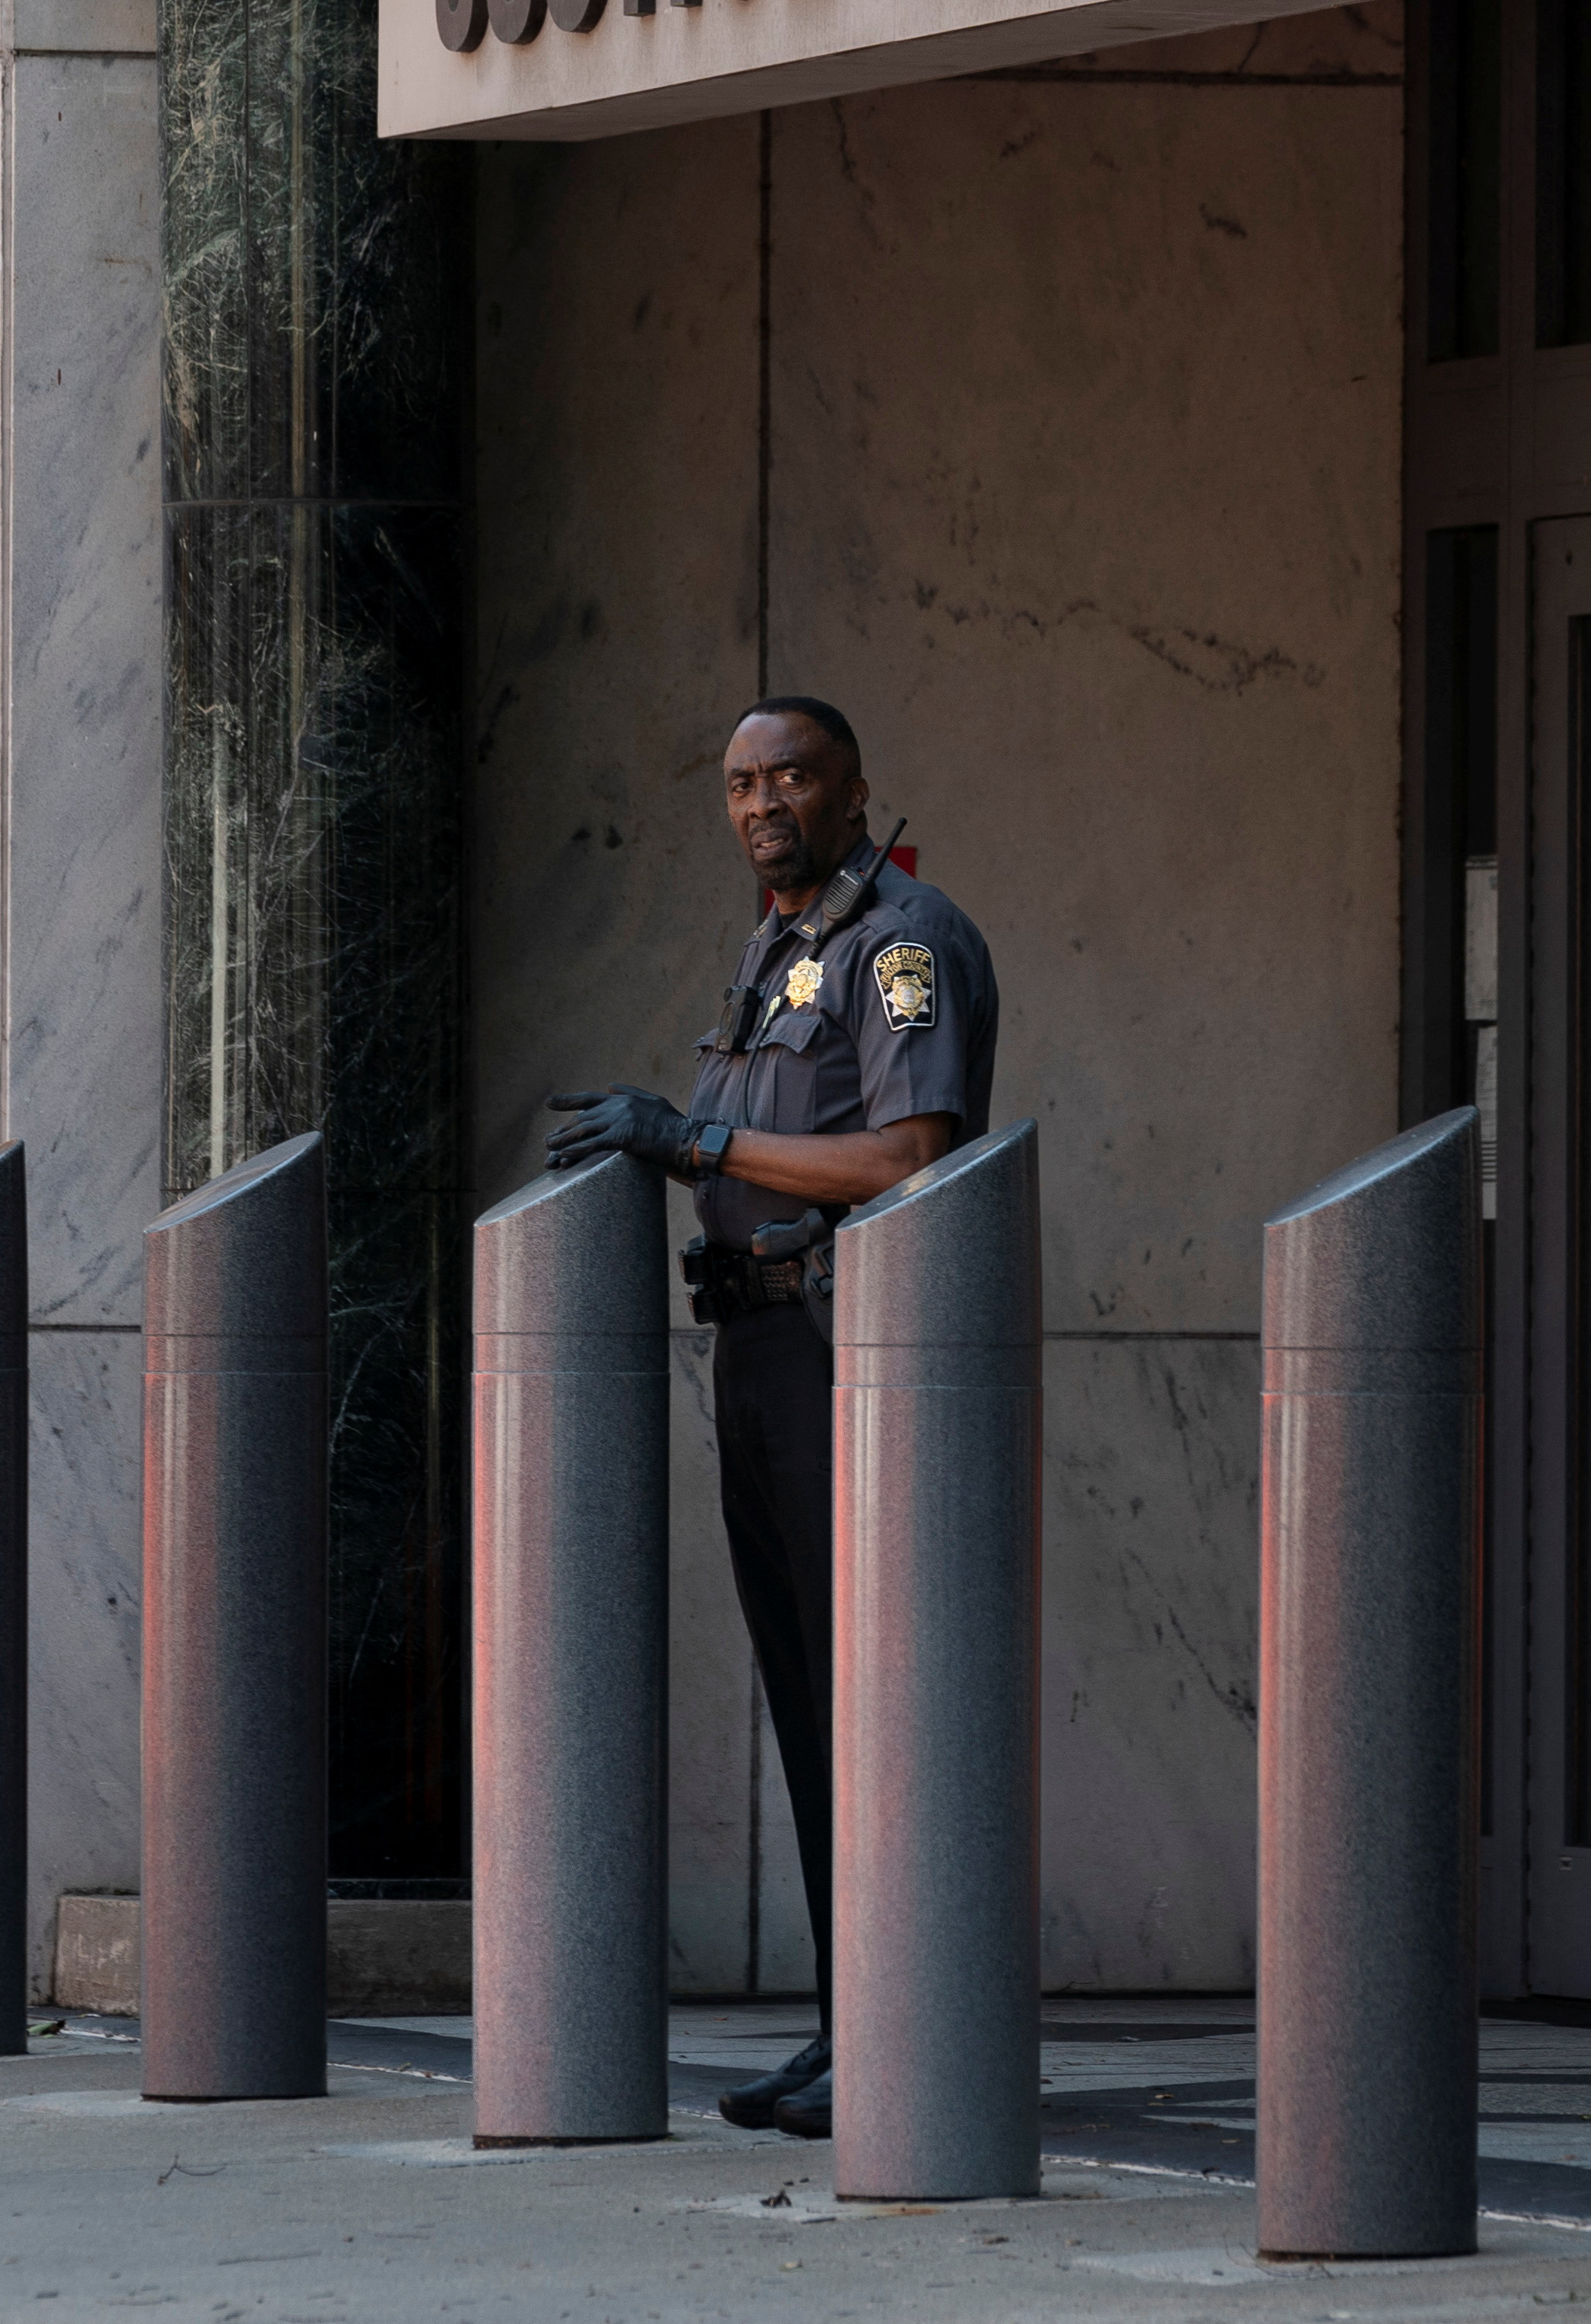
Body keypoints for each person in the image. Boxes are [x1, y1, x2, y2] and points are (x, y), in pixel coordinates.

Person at [545, 696, 997, 2145]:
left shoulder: (900, 946)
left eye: (791, 777)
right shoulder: (779, 948)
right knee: (809, 1701)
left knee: (869, 1697)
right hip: (751, 1347)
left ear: (856, 786)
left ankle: (901, 2026)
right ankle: (849, 2020)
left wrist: (696, 1140)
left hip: (839, 1347)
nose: (762, 805)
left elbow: (909, 1151)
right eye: (741, 784)